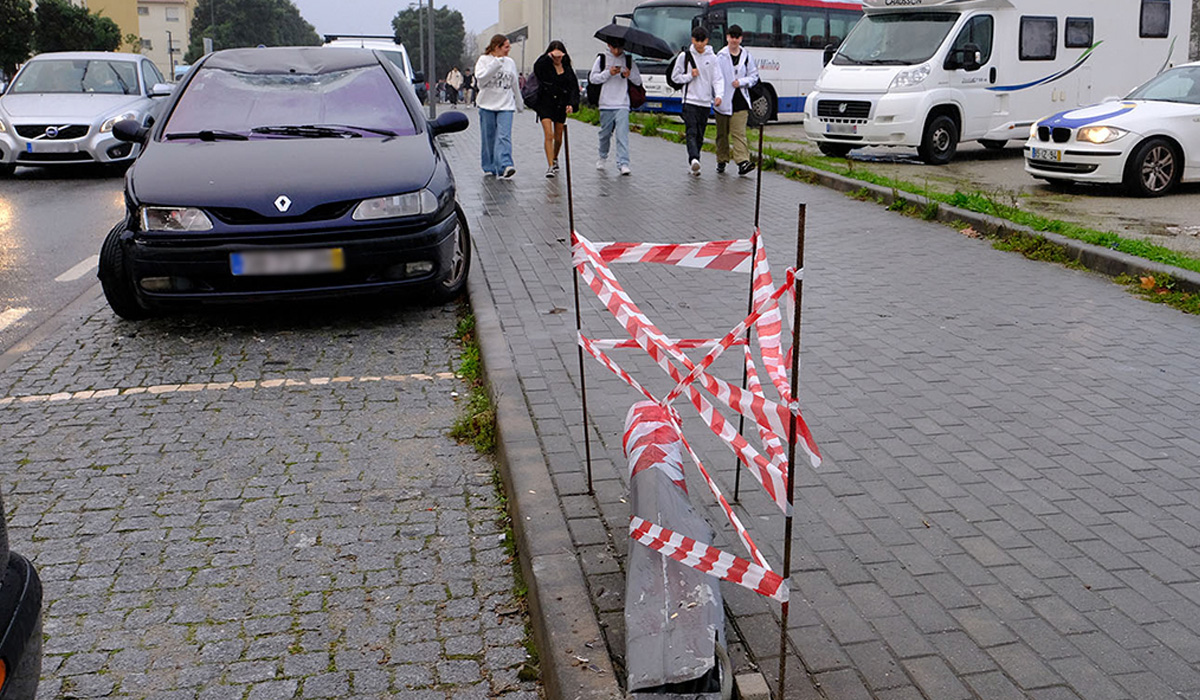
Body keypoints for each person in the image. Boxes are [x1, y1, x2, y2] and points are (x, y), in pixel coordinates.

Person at [671, 26, 724, 176]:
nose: (699, 44)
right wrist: (689, 76)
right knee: (691, 131)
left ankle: (696, 162)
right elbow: (675, 77)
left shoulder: (713, 58)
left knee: (700, 134)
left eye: (702, 41)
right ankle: (693, 159)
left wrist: (719, 95)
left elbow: (717, 79)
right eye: (696, 41)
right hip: (689, 101)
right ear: (692, 39)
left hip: (705, 101)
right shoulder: (684, 56)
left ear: (707, 41)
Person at [589, 39, 642, 176]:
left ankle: (623, 163)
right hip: (605, 103)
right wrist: (608, 73)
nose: (617, 51)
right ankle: (602, 156)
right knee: (605, 134)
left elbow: (638, 81)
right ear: (609, 45)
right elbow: (593, 79)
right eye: (614, 48)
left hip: (623, 102)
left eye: (620, 48)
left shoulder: (629, 60)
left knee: (622, 134)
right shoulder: (601, 59)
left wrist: (629, 75)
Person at [475, 34, 523, 179]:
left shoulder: (510, 62)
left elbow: (514, 82)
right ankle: (489, 166)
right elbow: (481, 81)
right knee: (488, 137)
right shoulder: (483, 60)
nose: (509, 50)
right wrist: (496, 64)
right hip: (487, 105)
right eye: (506, 47)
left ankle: (505, 165)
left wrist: (519, 102)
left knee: (504, 136)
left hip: (506, 105)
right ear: (497, 47)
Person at [715, 25, 760, 176]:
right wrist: (716, 96)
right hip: (723, 99)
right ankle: (722, 159)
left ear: (741, 38)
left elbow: (754, 76)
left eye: (737, 37)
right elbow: (715, 78)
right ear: (727, 37)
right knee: (722, 133)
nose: (734, 40)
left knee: (739, 132)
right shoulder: (720, 56)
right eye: (731, 36)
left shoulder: (747, 56)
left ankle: (742, 162)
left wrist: (741, 82)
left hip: (740, 99)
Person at [532, 41, 581, 178]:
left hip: (561, 105)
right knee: (549, 135)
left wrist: (572, 104)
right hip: (545, 104)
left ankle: (555, 157)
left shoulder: (567, 69)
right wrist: (547, 57)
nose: (557, 58)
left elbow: (573, 88)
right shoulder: (545, 66)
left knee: (558, 138)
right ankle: (550, 166)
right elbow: (536, 67)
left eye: (560, 55)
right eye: (555, 55)